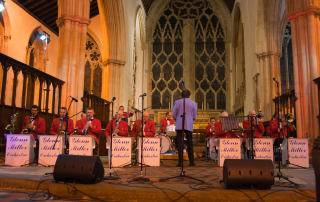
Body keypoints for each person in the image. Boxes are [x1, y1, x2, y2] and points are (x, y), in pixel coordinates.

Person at [172, 89, 196, 167]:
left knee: (179, 143)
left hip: (179, 124)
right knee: (190, 143)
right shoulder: (193, 103)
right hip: (189, 125)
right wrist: (189, 120)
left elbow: (173, 114)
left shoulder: (177, 102)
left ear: (181, 95)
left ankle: (180, 162)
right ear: (189, 95)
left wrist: (178, 119)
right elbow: (194, 116)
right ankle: (191, 162)